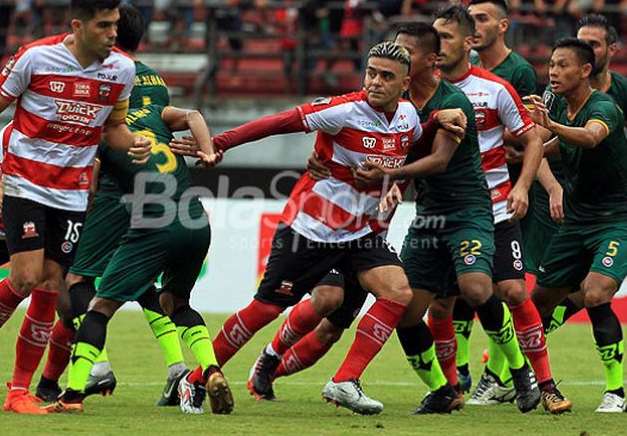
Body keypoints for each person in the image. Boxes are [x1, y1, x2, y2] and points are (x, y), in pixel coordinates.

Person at [169, 41, 471, 415]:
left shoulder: (408, 116)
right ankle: (196, 379)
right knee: (265, 310)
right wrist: (219, 143)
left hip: (360, 232)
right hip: (312, 228)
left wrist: (435, 121)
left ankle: (344, 381)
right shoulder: (343, 109)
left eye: (386, 76)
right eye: (371, 73)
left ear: (405, 84)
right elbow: (277, 123)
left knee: (397, 292)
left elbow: (410, 142)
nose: (375, 82)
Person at [0, 0, 151, 415]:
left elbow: (112, 129)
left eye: (116, 24)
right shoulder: (36, 57)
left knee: (47, 286)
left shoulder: (122, 70)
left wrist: (132, 141)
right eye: (104, 26)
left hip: (74, 191)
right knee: (24, 277)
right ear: (77, 26)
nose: (113, 33)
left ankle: (17, 391)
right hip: (24, 182)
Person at [34, 3, 190, 407]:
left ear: (113, 35)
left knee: (69, 277)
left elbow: (105, 132)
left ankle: (96, 364)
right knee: (140, 284)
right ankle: (177, 368)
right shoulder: (155, 80)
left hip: (108, 189)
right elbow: (161, 125)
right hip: (149, 192)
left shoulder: (109, 74)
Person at [45, 74, 227, 416]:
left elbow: (90, 189)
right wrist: (208, 151)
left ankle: (73, 394)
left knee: (95, 304)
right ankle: (208, 371)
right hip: (196, 220)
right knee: (174, 301)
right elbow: (195, 116)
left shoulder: (103, 133)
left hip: (152, 226)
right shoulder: (156, 114)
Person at [424, 3, 570, 414]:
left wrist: (523, 186)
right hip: (444, 213)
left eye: (447, 37)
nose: (438, 46)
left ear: (469, 43)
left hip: (495, 207)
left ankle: (542, 382)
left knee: (512, 289)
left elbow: (533, 139)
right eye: (434, 38)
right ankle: (451, 388)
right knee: (440, 305)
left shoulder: (495, 88)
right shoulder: (423, 89)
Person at [526, 37, 627, 413]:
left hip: (616, 220)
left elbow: (591, 137)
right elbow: (551, 147)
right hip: (575, 220)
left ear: (586, 70)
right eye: (552, 64)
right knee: (535, 307)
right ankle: (527, 380)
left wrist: (548, 126)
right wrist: (525, 139)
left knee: (598, 292)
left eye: (563, 65)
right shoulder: (557, 107)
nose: (553, 71)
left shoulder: (603, 107)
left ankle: (616, 391)